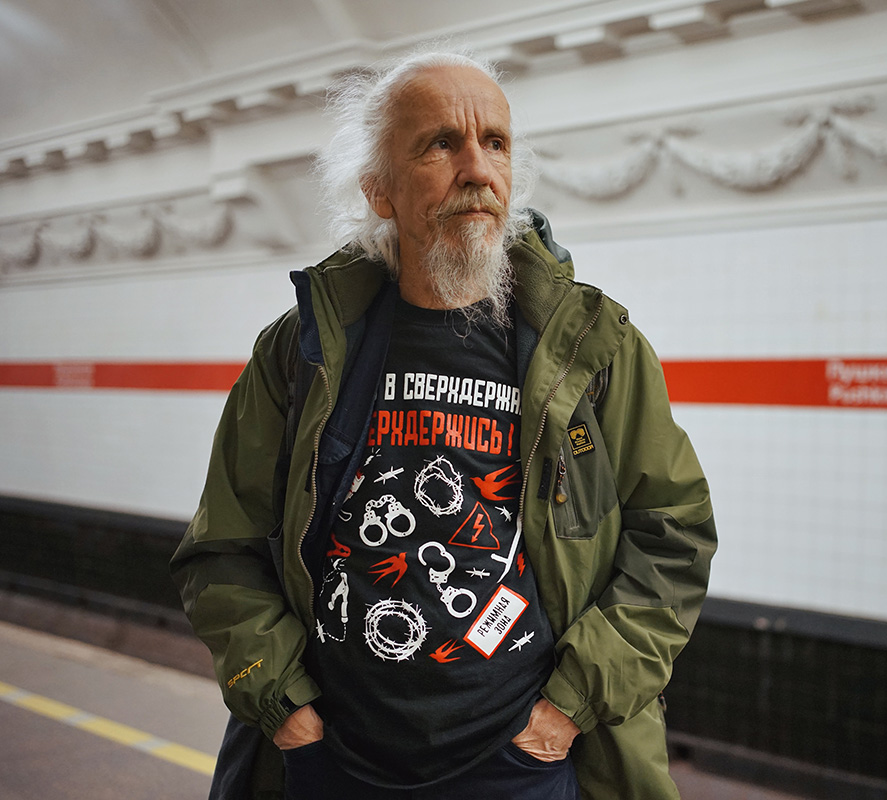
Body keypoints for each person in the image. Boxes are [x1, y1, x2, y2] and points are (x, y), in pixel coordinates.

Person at [171, 46, 716, 800]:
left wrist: (565, 713)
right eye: (440, 144)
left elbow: (673, 534)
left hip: (521, 766)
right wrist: (284, 708)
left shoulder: (592, 349)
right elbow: (222, 549)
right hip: (336, 762)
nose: (477, 169)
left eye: (495, 143)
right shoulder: (303, 351)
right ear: (379, 190)